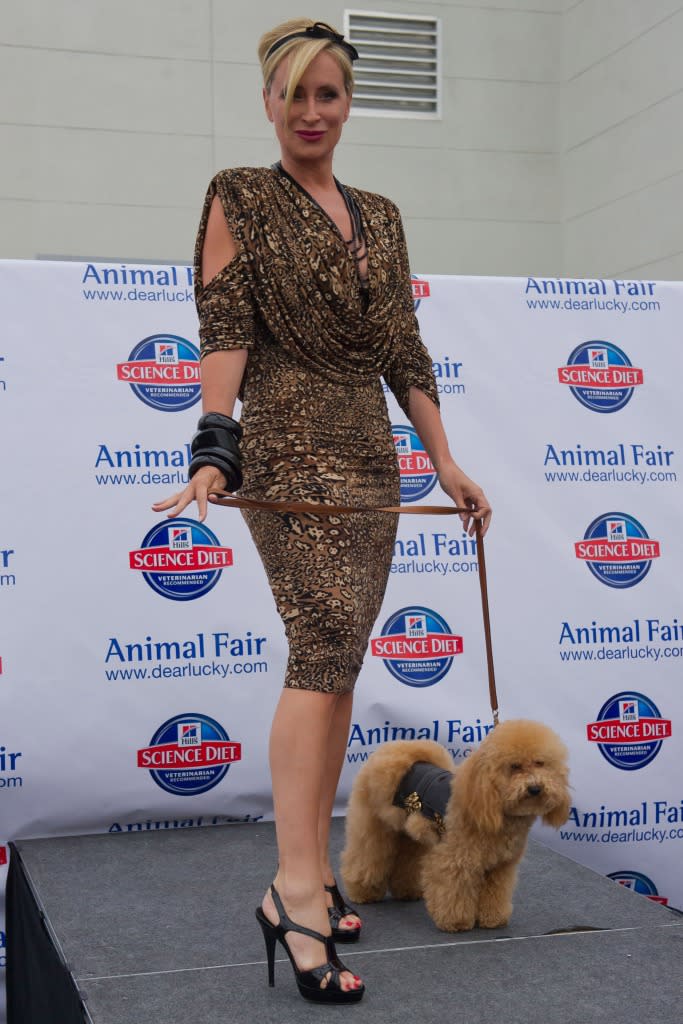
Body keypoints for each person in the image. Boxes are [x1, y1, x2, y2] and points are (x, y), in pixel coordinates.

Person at [153, 17, 491, 1004]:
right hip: (289, 444)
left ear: (348, 105)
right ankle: (295, 887)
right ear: (268, 101)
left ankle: (307, 873)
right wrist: (215, 444)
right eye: (292, 94)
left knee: (339, 664)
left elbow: (401, 344)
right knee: (320, 647)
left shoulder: (379, 215)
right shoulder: (240, 196)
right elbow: (222, 324)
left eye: (327, 94)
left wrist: (443, 458)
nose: (310, 112)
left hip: (369, 457)